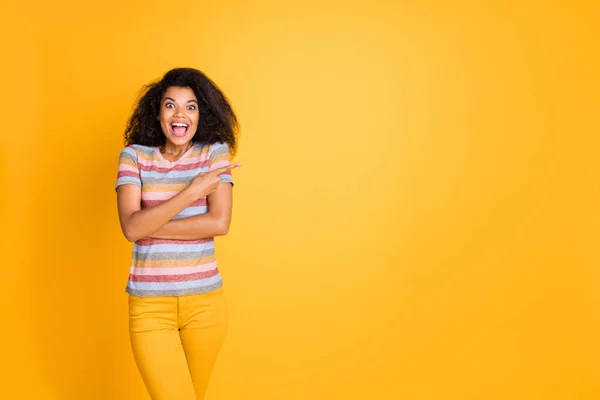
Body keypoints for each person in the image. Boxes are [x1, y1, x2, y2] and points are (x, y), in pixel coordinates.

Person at [114, 67, 241, 399]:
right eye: (170, 105)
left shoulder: (214, 152)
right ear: (157, 113)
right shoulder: (134, 157)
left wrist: (148, 224)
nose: (180, 114)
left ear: (202, 115)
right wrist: (192, 190)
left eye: (191, 106)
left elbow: (218, 223)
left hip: (205, 305)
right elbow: (130, 228)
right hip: (149, 307)